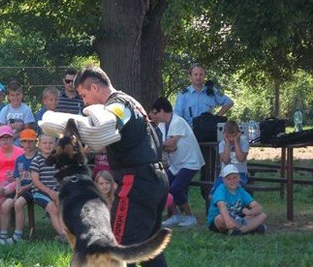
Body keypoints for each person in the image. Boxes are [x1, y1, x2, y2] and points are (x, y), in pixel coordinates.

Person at [74, 65, 168, 267]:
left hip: (137, 181)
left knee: (117, 249)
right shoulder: (131, 101)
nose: (84, 102)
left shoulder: (117, 105)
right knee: (149, 248)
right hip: (154, 179)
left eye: (83, 95)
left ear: (94, 88)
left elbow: (111, 120)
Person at [150, 98, 205, 228]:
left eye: (155, 112)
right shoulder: (162, 125)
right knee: (162, 186)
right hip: (176, 164)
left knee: (176, 188)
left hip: (190, 162)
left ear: (162, 111)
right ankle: (176, 215)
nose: (154, 116)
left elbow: (171, 144)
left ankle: (190, 216)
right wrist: (165, 145)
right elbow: (168, 146)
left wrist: (162, 145)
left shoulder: (178, 121)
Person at [0, 129, 38, 244]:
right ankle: (3, 234)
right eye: (25, 142)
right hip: (20, 188)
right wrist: (18, 187)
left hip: (32, 189)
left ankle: (17, 235)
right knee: (5, 205)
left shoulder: (38, 159)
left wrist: (24, 188)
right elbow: (17, 176)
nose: (28, 144)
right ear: (21, 143)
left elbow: (38, 181)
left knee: (18, 203)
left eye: (31, 142)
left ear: (35, 142)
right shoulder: (19, 159)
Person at [0, 126, 24, 244]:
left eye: (8, 138)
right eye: (3, 138)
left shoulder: (20, 152)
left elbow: (23, 174)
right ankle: (3, 232)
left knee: (16, 181)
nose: (6, 141)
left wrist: (13, 177)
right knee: (0, 202)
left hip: (18, 183)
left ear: (12, 138)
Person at [207, 165, 267, 235]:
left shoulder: (241, 191)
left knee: (262, 215)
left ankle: (237, 231)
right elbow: (221, 206)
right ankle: (250, 228)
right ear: (223, 180)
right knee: (220, 218)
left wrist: (250, 212)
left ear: (239, 177)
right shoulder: (220, 190)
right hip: (221, 220)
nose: (232, 181)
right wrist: (228, 221)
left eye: (234, 177)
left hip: (237, 219)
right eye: (228, 178)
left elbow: (258, 207)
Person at [29, 133, 66, 241]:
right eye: (44, 143)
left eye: (50, 143)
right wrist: (49, 192)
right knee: (53, 209)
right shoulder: (36, 161)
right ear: (39, 145)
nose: (48, 145)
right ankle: (63, 235)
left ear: (55, 145)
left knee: (63, 207)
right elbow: (35, 181)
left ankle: (66, 232)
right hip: (40, 192)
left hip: (56, 191)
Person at [210, 120, 250, 193]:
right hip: (224, 173)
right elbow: (225, 160)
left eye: (234, 136)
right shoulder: (222, 144)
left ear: (238, 133)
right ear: (224, 134)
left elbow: (241, 158)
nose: (231, 138)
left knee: (232, 190)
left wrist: (236, 142)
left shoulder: (244, 142)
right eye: (228, 136)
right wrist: (227, 144)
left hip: (239, 173)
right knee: (212, 194)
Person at [0, 81, 36, 145]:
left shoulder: (26, 109)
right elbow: (0, 129)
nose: (15, 97)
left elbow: (27, 130)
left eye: (18, 94)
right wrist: (11, 126)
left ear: (22, 95)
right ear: (8, 97)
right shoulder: (5, 110)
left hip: (22, 140)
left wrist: (15, 135)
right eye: (12, 95)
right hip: (6, 139)